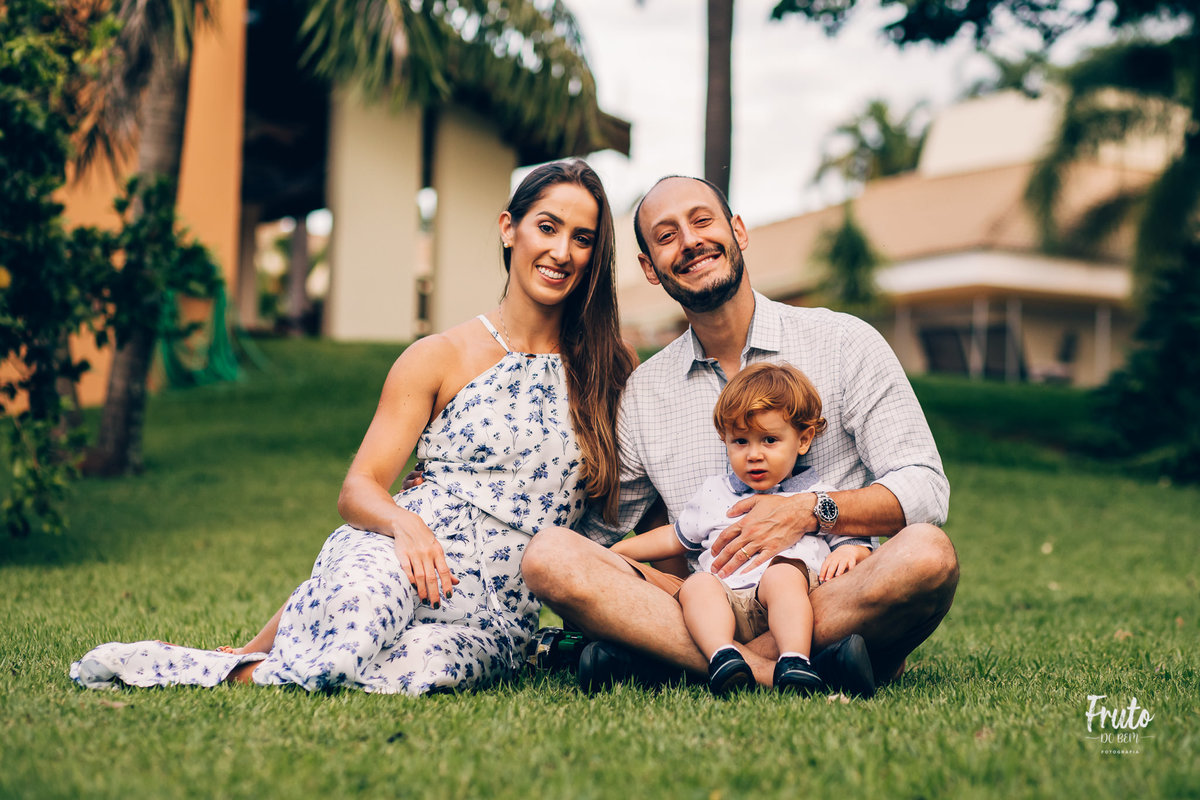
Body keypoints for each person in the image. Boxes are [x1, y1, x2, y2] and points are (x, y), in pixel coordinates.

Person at [71, 160, 637, 695]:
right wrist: (404, 523)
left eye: (582, 238)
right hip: (397, 555)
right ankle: (233, 663)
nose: (562, 251)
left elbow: (620, 512)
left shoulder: (608, 370)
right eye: (547, 227)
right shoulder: (438, 356)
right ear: (509, 230)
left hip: (495, 615)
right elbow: (359, 487)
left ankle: (249, 664)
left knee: (420, 675)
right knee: (344, 656)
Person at [521, 175, 959, 697]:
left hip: (821, 590)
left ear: (738, 231)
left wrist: (809, 510)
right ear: (650, 270)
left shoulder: (844, 342)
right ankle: (794, 669)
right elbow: (602, 535)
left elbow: (926, 488)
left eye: (702, 221)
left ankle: (668, 661)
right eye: (666, 236)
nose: (689, 241)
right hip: (709, 598)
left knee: (928, 555)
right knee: (551, 555)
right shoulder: (644, 393)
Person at [611, 363, 873, 696]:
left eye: (769, 440)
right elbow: (675, 537)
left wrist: (851, 550)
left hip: (789, 601)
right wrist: (617, 552)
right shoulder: (715, 493)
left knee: (783, 574)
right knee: (698, 584)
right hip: (726, 603)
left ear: (803, 439)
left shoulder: (814, 495)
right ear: (724, 440)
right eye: (740, 441)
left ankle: (795, 660)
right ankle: (723, 655)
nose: (754, 455)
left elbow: (850, 536)